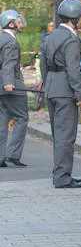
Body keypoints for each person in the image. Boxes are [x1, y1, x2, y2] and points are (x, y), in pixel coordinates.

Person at [39, 0, 81, 189]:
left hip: (52, 87)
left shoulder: (49, 36)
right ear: (74, 19)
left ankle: (61, 173)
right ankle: (62, 177)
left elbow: (43, 65)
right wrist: (80, 96)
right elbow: (73, 70)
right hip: (66, 90)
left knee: (57, 135)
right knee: (66, 136)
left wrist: (49, 85)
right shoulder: (71, 39)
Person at [0, 9, 28, 168]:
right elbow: (9, 63)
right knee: (21, 118)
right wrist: (9, 82)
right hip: (12, 85)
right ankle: (13, 155)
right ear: (11, 24)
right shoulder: (11, 42)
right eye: (18, 21)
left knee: (2, 119)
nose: (20, 24)